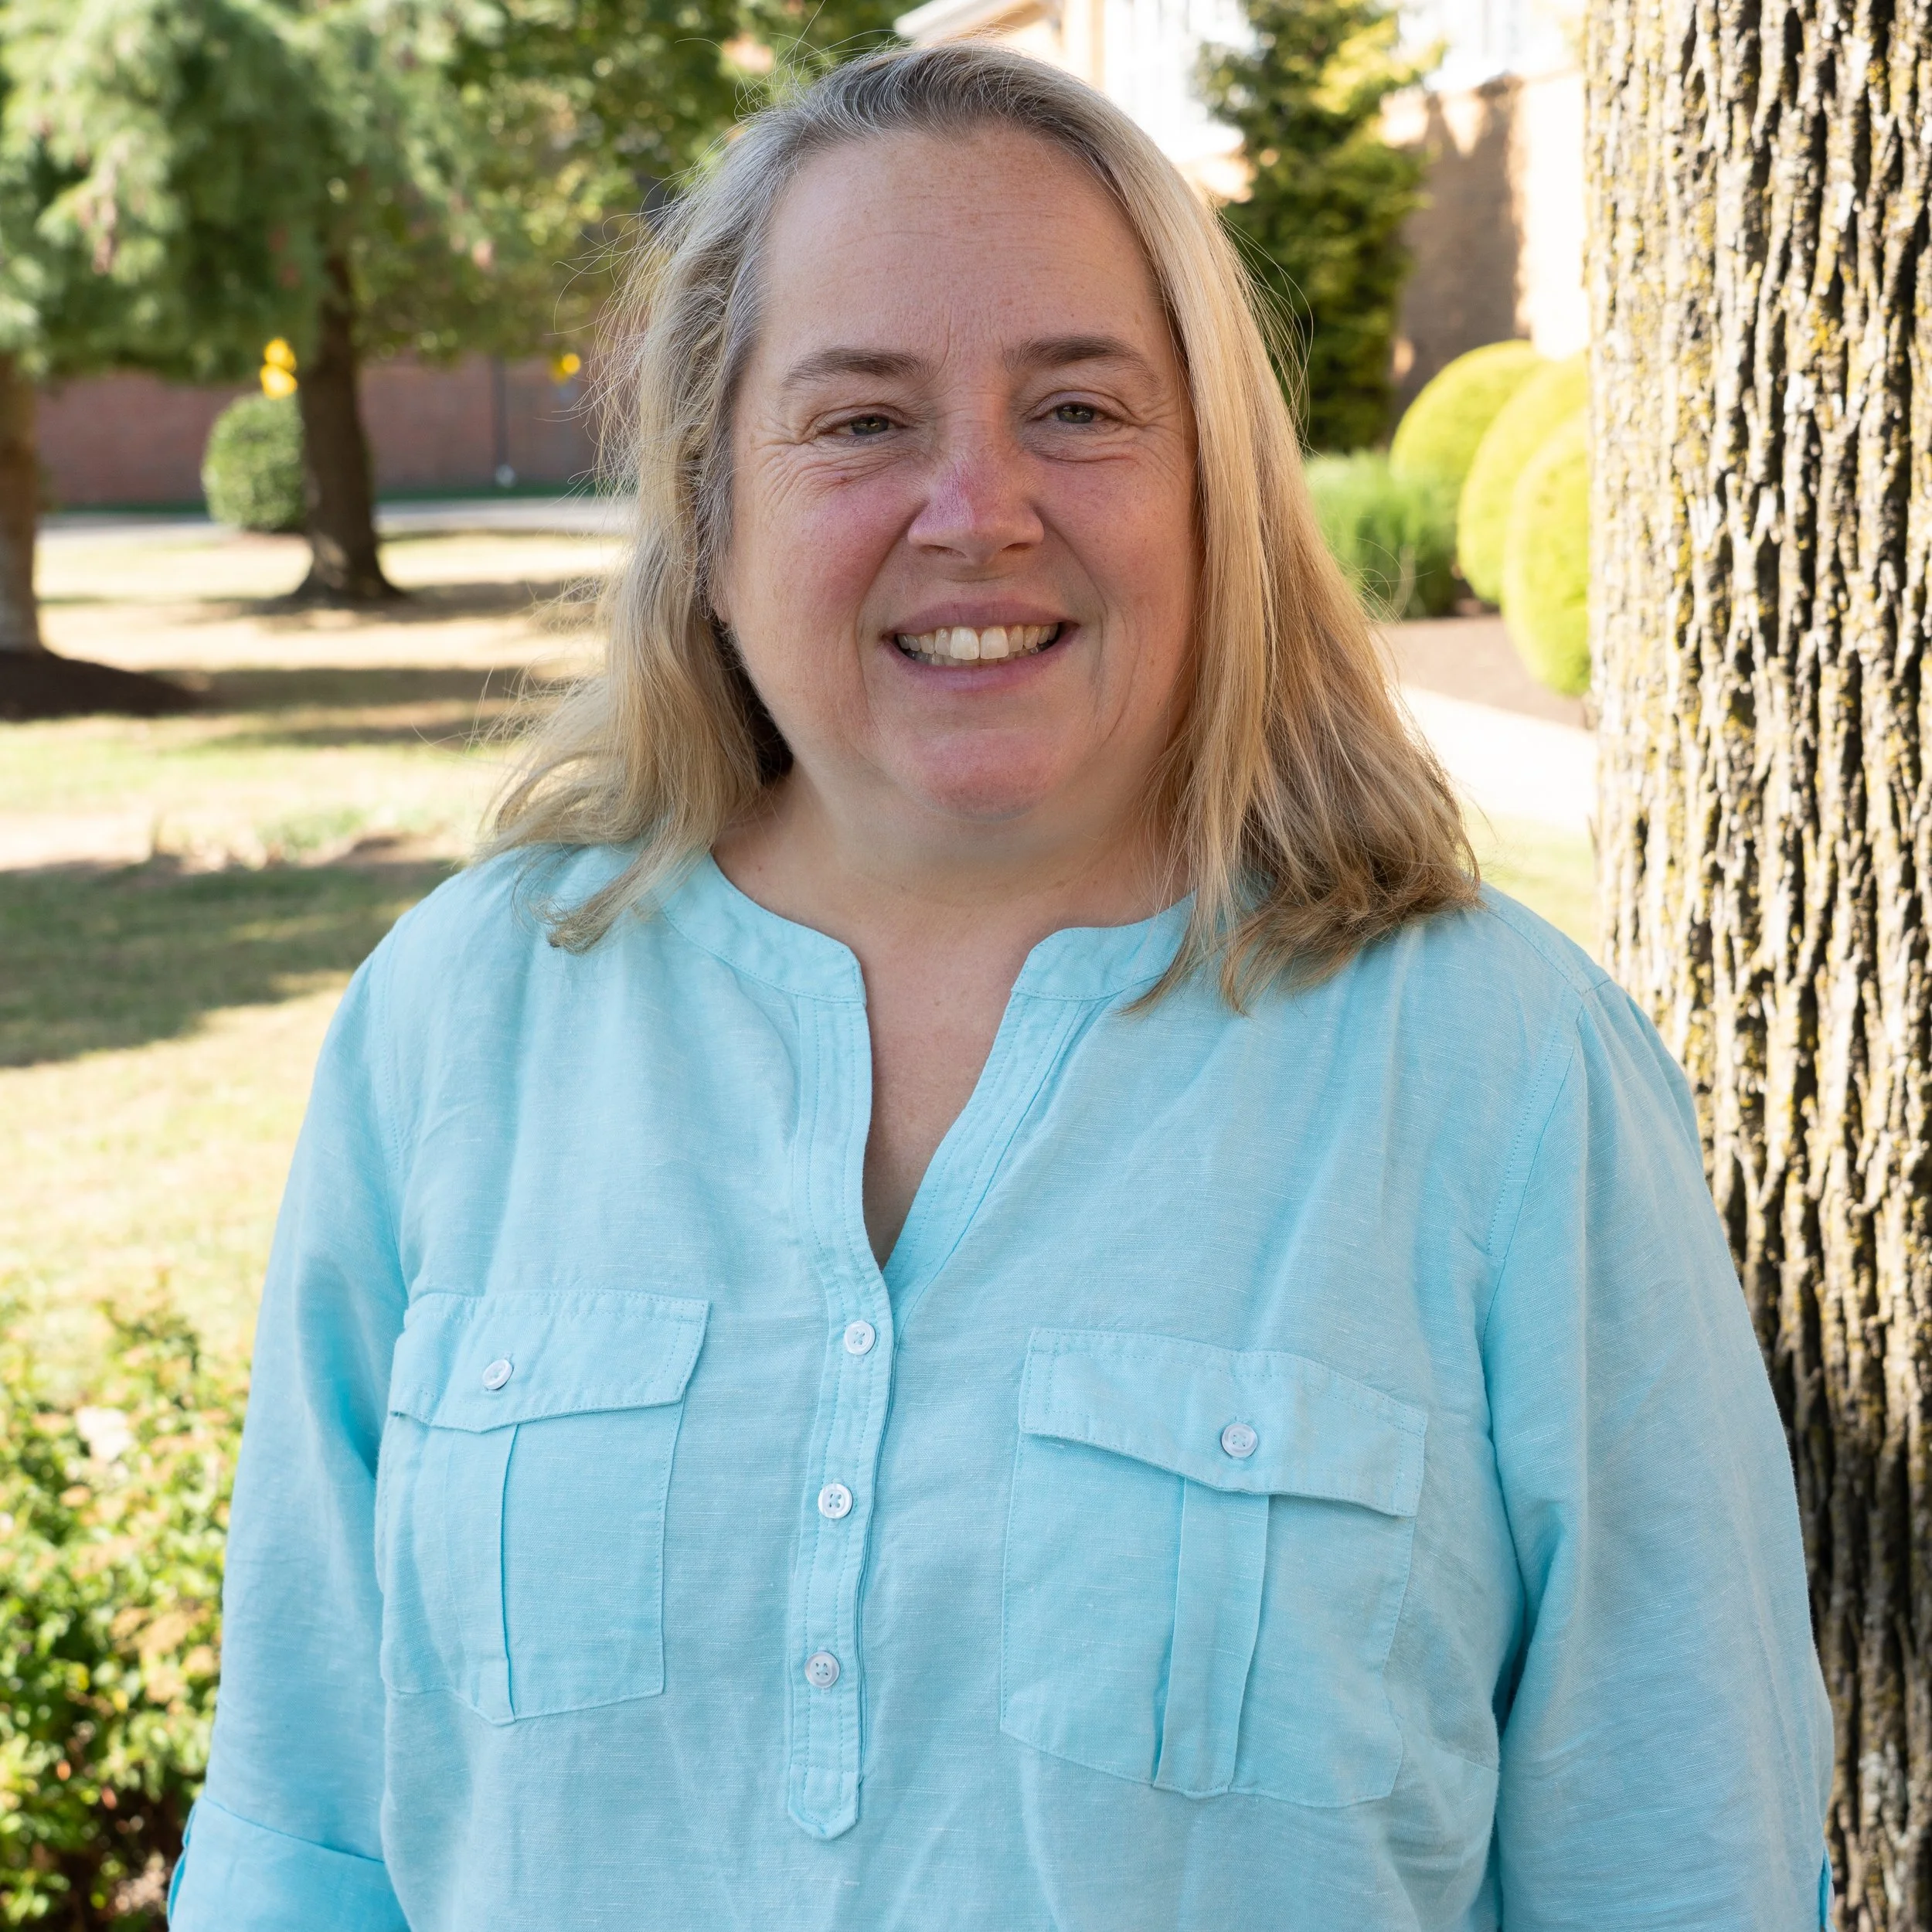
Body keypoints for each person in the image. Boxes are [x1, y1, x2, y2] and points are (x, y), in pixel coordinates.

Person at [167, 43, 1833, 1931]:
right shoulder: (461, 1023)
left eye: (1078, 409)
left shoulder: (1503, 1075)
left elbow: (1676, 1861)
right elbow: (301, 1839)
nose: (976, 507)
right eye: (858, 421)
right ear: (710, 513)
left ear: (1213, 490)